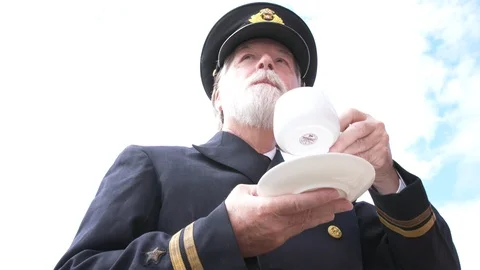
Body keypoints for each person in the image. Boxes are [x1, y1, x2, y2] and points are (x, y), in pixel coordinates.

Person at [55, 2, 460, 270]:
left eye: (283, 62)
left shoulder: (338, 197)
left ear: (299, 93)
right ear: (217, 95)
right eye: (247, 58)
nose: (267, 61)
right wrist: (216, 238)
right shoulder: (152, 164)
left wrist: (386, 178)